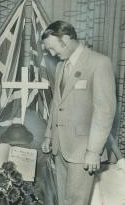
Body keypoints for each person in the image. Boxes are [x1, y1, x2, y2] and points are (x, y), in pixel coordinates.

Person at [41, 20, 116, 205]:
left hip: (83, 150)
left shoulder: (99, 63)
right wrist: (49, 136)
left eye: (52, 48)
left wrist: (94, 151)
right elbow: (56, 103)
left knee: (76, 201)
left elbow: (104, 111)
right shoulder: (61, 66)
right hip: (60, 147)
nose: (51, 54)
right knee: (63, 199)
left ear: (65, 39)